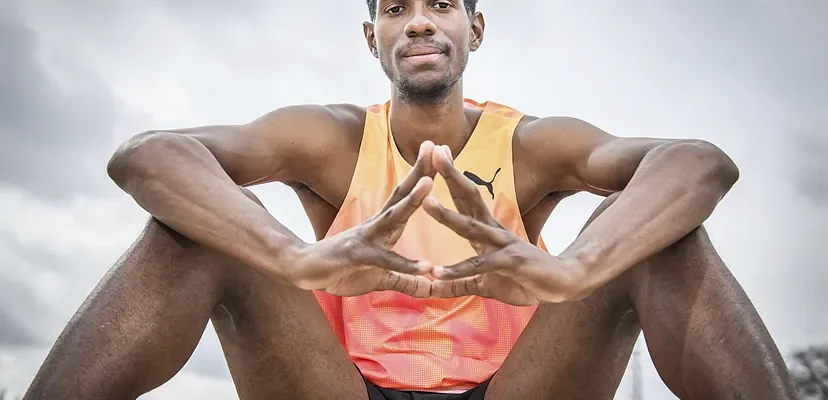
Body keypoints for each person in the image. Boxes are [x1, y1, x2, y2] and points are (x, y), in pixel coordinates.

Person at [24, 1, 796, 399]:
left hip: (512, 393)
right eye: (396, 7)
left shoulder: (532, 145)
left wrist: (574, 271)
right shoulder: (329, 138)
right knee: (188, 233)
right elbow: (147, 157)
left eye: (439, 3)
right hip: (340, 391)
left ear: (476, 26)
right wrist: (296, 259)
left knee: (666, 239)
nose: (419, 18)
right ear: (372, 38)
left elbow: (696, 164)